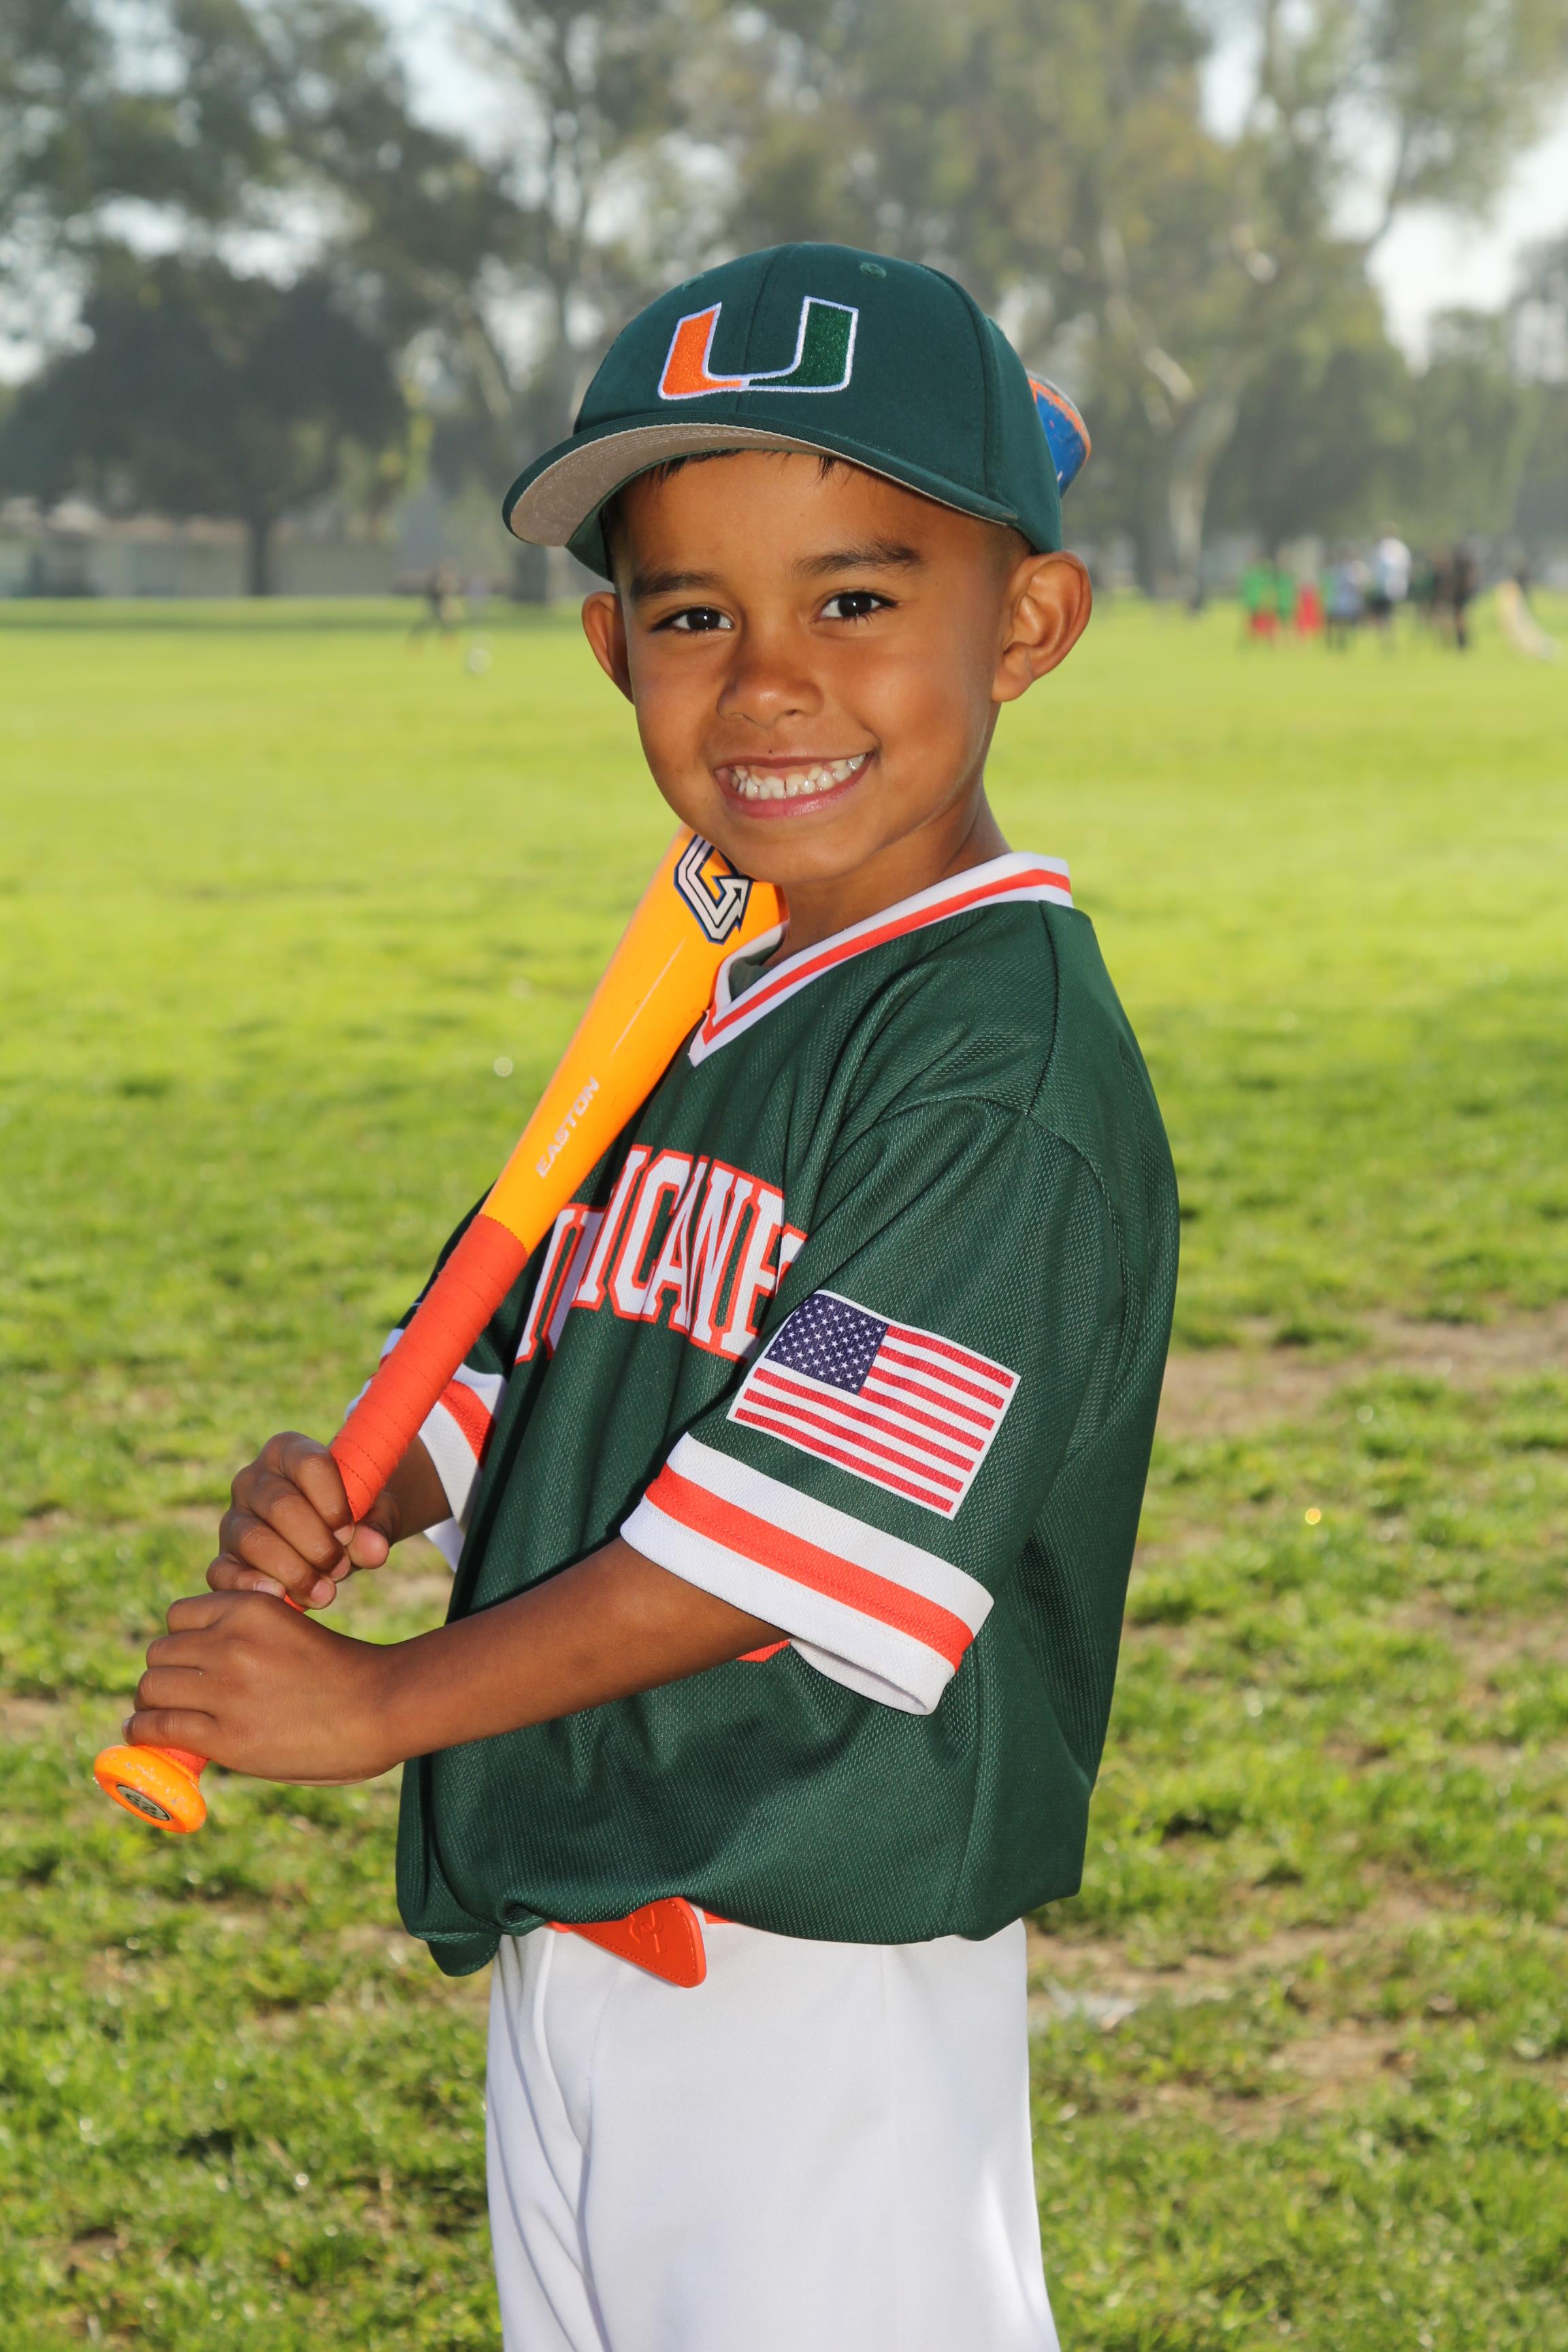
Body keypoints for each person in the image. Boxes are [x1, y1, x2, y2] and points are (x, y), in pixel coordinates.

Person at [124, 244, 1178, 2352]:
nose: (767, 685)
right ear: (614, 646)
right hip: (585, 1915)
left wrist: (380, 1706)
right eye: (696, 616)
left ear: (1028, 625)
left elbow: (777, 1540)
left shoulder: (994, 1071)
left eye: (854, 602)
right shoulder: (720, 987)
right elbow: (555, 1335)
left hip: (810, 1960)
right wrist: (376, 1480)